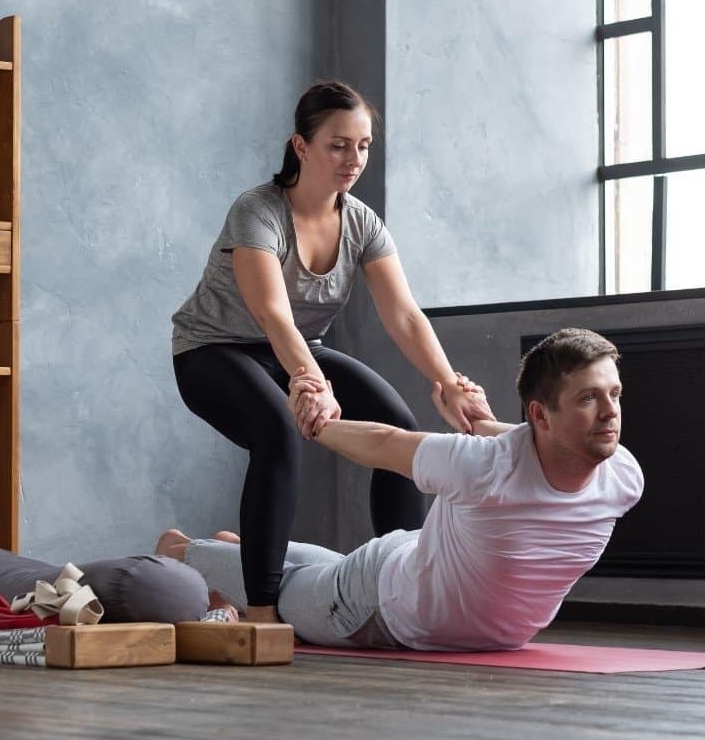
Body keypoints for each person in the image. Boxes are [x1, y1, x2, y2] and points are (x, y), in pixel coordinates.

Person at [170, 80, 493, 624]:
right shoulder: (258, 211)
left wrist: (449, 384)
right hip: (212, 351)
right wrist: (311, 381)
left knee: (398, 425)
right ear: (301, 146)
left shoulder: (361, 222)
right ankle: (261, 612)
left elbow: (404, 314)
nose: (354, 159)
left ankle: (406, 587)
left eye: (363, 146)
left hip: (296, 352)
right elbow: (272, 312)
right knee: (277, 433)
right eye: (338, 145)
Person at [157, 328, 644, 651]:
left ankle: (234, 549)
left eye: (615, 394)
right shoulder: (481, 467)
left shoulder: (623, 476)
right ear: (541, 414)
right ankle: (182, 551)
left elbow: (526, 444)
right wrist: (312, 423)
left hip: (420, 561)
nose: (610, 412)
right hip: (374, 605)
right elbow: (385, 442)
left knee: (309, 569)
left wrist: (481, 422)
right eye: (589, 398)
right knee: (282, 590)